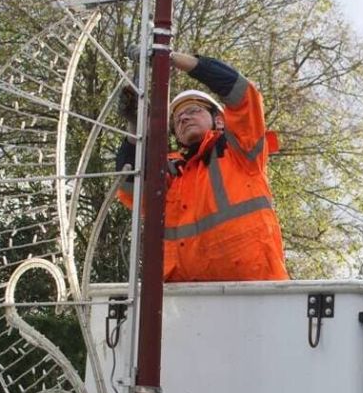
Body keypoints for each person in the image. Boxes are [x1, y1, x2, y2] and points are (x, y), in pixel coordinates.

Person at [116, 52, 288, 282]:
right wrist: (135, 127)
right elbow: (130, 189)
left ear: (218, 119)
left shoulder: (240, 150)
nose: (184, 119)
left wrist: (171, 57)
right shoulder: (171, 173)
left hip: (253, 290)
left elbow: (242, 93)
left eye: (193, 111)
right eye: (177, 119)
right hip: (186, 300)